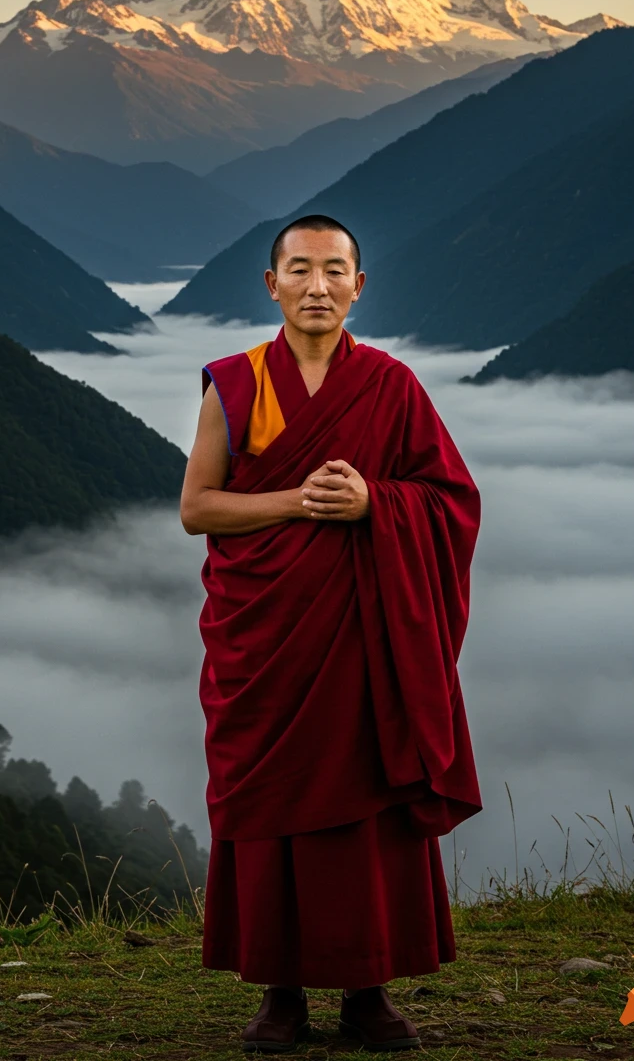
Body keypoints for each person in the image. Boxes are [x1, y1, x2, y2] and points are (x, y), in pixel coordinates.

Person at [180, 214, 482, 1053]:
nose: (319, 286)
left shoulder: (392, 385)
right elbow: (197, 507)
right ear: (271, 285)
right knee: (270, 805)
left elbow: (452, 500)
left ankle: (367, 992)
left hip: (361, 637)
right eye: (301, 270)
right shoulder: (234, 385)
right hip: (263, 641)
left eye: (335, 271)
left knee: (362, 807)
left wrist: (375, 504)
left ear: (359, 286)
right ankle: (280, 997)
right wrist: (299, 501)